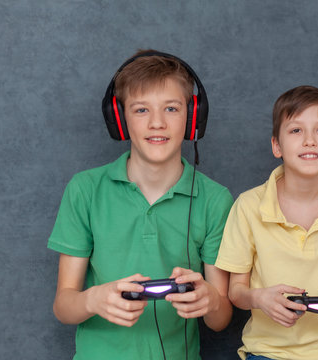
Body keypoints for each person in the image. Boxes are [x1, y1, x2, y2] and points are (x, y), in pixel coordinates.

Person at [48, 49, 233, 359]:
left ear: (192, 116)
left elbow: (221, 318)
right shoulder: (84, 190)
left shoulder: (215, 199)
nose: (157, 123)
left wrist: (212, 301)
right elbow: (63, 306)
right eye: (141, 110)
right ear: (120, 119)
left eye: (171, 109)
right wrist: (93, 299)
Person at [215, 85, 318, 360]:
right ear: (276, 146)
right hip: (267, 353)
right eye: (296, 130)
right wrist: (259, 299)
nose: (309, 140)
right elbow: (236, 291)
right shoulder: (248, 205)